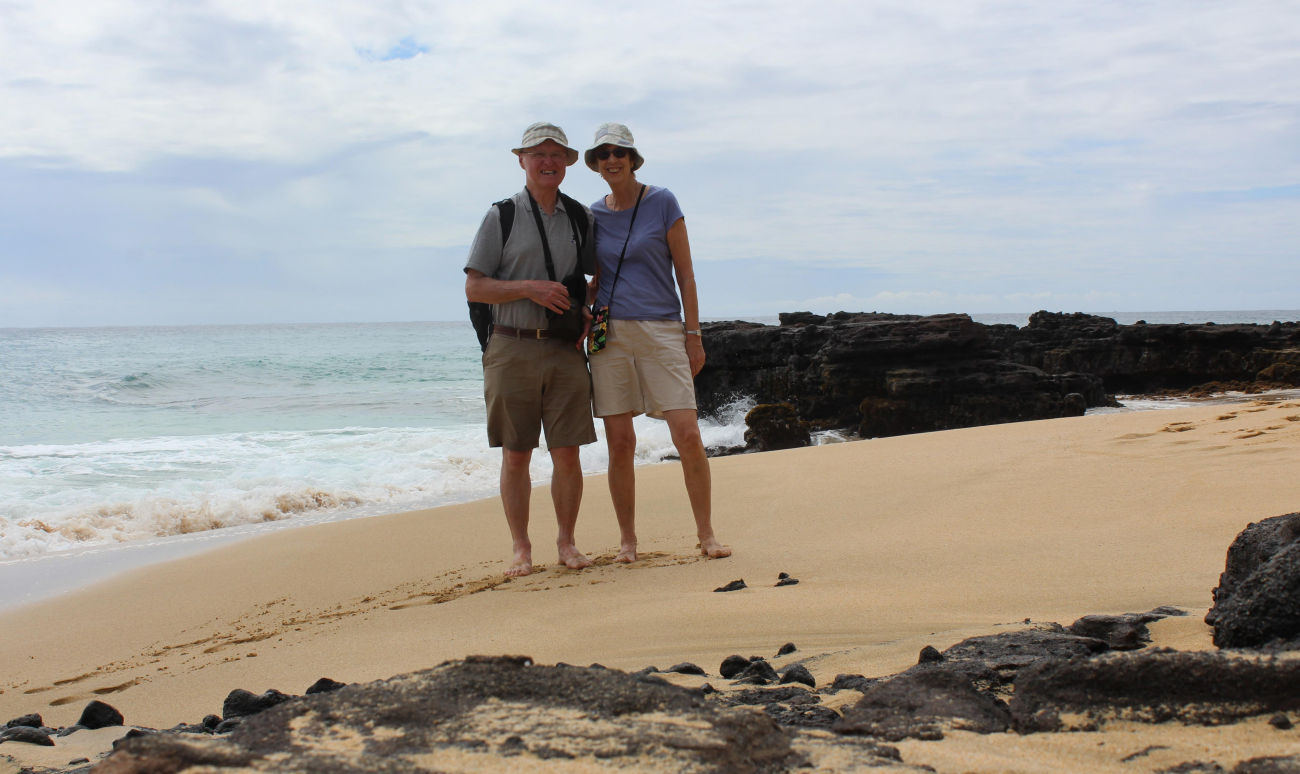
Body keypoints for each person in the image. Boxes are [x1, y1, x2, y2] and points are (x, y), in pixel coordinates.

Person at [584, 122, 731, 562]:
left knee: (687, 433)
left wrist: (693, 333)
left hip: (663, 329)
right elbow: (596, 278)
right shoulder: (594, 214)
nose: (612, 159)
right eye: (604, 153)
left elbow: (685, 274)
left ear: (633, 159)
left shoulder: (663, 201)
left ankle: (706, 534)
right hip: (610, 335)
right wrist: (579, 308)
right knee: (620, 443)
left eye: (620, 152)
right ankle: (628, 542)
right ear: (595, 162)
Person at [464, 122, 597, 577]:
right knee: (516, 454)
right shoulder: (501, 215)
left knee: (567, 452)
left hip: (563, 351)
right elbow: (475, 287)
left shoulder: (580, 218)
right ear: (521, 160)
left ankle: (567, 542)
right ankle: (521, 548)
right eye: (539, 154)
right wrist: (530, 290)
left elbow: (594, 279)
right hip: (510, 345)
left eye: (557, 155)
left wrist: (588, 311)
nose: (548, 162)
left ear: (567, 163)